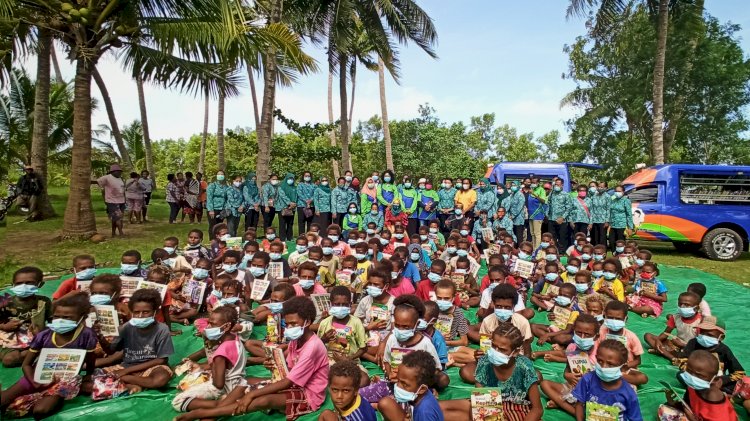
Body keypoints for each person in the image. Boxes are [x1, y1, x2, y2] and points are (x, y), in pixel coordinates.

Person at [178, 296, 330, 421]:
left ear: (308, 322)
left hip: (308, 394)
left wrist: (252, 394)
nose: (289, 328)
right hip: (292, 382)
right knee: (245, 382)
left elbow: (289, 381)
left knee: (263, 400)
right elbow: (286, 364)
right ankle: (219, 408)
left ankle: (203, 413)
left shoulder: (312, 347)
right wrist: (275, 365)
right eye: (287, 324)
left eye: (293, 324)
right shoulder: (297, 339)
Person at [0, 292, 97, 419]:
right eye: (57, 317)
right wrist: (34, 383)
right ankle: (31, 395)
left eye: (67, 317)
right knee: (3, 401)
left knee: (40, 411)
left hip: (65, 381)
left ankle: (43, 398)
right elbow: (26, 364)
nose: (61, 320)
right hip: (36, 376)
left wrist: (88, 376)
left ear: (82, 318)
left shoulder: (86, 335)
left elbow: (90, 361)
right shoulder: (44, 335)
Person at [440, 323, 543, 420]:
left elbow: (537, 409)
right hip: (488, 402)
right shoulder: (485, 361)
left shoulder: (524, 367)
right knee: (439, 408)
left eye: (502, 350)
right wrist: (487, 415)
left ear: (515, 352)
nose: (495, 352)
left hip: (518, 407)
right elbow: (482, 398)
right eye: (493, 346)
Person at [171, 305, 247, 413]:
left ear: (226, 326)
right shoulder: (234, 337)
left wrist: (211, 368)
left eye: (213, 324)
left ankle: (218, 404)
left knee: (178, 400)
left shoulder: (220, 353)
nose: (208, 328)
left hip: (226, 387)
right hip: (237, 379)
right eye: (209, 323)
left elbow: (218, 384)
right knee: (190, 381)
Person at [571, 339, 643, 421]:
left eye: (610, 364)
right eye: (600, 361)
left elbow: (635, 418)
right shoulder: (587, 380)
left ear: (623, 366)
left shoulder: (628, 393)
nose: (603, 367)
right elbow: (579, 405)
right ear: (596, 358)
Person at [663, 349, 739, 421]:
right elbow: (687, 404)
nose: (692, 377)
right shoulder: (693, 387)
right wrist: (673, 403)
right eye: (688, 370)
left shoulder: (716, 408)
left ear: (714, 380)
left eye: (699, 375)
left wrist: (691, 418)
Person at [0, 267, 52, 368]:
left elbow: (53, 321)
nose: (24, 286)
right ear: (13, 284)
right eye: (19, 283)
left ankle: (35, 352)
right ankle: (38, 353)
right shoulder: (4, 301)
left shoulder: (44, 301)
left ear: (40, 284)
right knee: (9, 360)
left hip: (34, 337)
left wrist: (43, 333)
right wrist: (4, 326)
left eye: (29, 283)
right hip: (8, 339)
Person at [377, 351, 444, 421]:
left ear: (422, 389)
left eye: (404, 384)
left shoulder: (424, 412)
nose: (398, 386)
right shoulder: (418, 395)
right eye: (398, 380)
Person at [94, 164, 126, 236]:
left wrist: (125, 200)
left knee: (115, 218)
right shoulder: (107, 178)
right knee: (118, 217)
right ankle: (121, 233)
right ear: (113, 171)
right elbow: (97, 181)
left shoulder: (120, 179)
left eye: (120, 171)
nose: (119, 173)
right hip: (112, 201)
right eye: (117, 171)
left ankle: (113, 233)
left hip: (121, 201)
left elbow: (122, 190)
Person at [547, 178, 571, 250]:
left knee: (562, 237)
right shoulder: (552, 194)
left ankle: (562, 252)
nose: (556, 186)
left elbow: (569, 208)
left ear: (562, 185)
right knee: (552, 237)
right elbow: (549, 204)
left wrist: (562, 217)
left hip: (561, 220)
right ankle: (553, 251)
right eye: (555, 184)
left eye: (558, 184)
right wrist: (547, 215)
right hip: (551, 219)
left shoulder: (566, 195)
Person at [609, 185, 633, 252]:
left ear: (623, 192)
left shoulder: (626, 201)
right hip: (613, 225)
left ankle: (621, 256)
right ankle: (614, 254)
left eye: (619, 191)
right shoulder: (613, 200)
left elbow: (629, 215)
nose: (617, 192)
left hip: (622, 225)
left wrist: (630, 227)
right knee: (611, 241)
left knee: (620, 243)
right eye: (616, 191)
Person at [206, 170, 229, 237]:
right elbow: (209, 198)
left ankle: (219, 239)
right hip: (213, 209)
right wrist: (211, 210)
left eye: (222, 174)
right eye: (219, 174)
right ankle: (212, 239)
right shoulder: (212, 185)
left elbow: (226, 198)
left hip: (222, 209)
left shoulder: (226, 187)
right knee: (213, 225)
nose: (220, 176)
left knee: (219, 226)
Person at [527, 180, 548, 249]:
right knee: (532, 233)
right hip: (531, 214)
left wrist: (534, 194)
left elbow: (543, 201)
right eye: (532, 182)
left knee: (537, 233)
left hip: (538, 214)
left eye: (535, 182)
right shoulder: (531, 189)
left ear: (538, 183)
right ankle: (533, 248)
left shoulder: (541, 190)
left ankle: (537, 249)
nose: (533, 184)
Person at [506, 180, 527, 245]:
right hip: (511, 218)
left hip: (518, 218)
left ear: (518, 186)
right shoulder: (512, 195)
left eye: (514, 185)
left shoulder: (520, 195)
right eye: (512, 185)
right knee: (513, 235)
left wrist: (513, 215)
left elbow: (519, 207)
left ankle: (520, 249)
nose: (513, 187)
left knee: (519, 235)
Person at [590, 182, 610, 247]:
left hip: (603, 221)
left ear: (606, 188)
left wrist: (607, 221)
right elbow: (592, 209)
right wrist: (591, 221)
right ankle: (595, 253)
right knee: (595, 238)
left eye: (602, 187)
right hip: (595, 220)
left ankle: (602, 253)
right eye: (599, 186)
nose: (600, 188)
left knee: (602, 238)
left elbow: (608, 209)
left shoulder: (607, 197)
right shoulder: (594, 196)